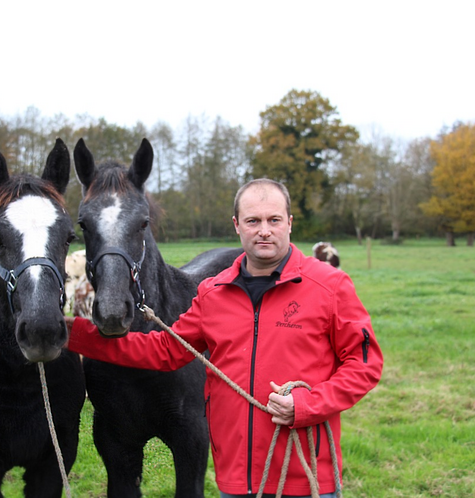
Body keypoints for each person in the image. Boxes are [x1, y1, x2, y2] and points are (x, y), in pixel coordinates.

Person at [65, 178, 383, 497]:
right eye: (253, 221)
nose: (264, 230)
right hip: (236, 481)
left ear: (289, 222)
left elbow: (365, 364)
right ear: (237, 225)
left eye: (274, 220)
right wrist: (72, 332)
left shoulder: (330, 286)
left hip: (305, 477)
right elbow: (164, 349)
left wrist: (309, 405)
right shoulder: (213, 293)